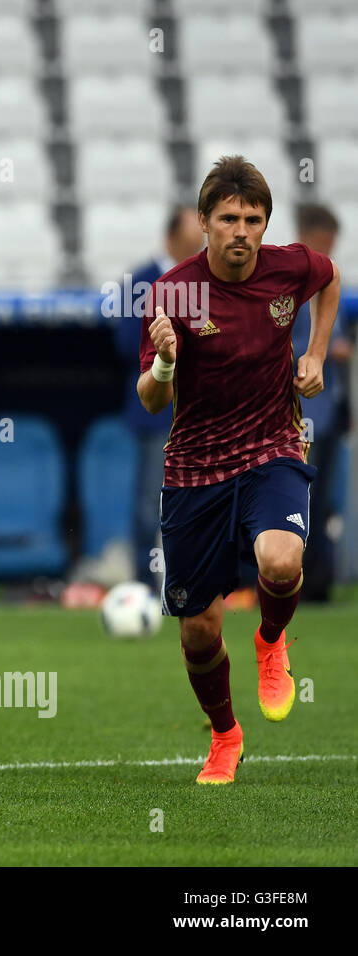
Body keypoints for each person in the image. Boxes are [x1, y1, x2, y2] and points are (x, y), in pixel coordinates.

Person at [137, 156, 340, 785]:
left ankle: (272, 640)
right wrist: (167, 363)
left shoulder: (290, 266)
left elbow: (329, 279)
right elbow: (149, 400)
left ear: (265, 224)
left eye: (253, 219)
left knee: (281, 562)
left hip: (272, 446)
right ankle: (225, 736)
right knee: (198, 630)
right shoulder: (174, 291)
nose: (241, 231)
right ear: (204, 222)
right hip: (195, 467)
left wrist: (315, 353)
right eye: (228, 218)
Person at [114, 205, 206, 584]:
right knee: (150, 501)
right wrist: (166, 350)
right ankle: (144, 582)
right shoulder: (142, 280)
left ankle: (198, 583)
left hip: (201, 410)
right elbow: (123, 341)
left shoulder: (205, 278)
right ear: (170, 238)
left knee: (203, 499)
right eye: (189, 242)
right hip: (157, 410)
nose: (196, 248)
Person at [291, 205, 350, 600]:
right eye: (325, 242)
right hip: (303, 414)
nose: (329, 250)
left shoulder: (330, 282)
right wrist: (326, 352)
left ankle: (318, 581)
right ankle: (294, 581)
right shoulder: (289, 286)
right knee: (299, 499)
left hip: (331, 413)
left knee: (324, 497)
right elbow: (282, 346)